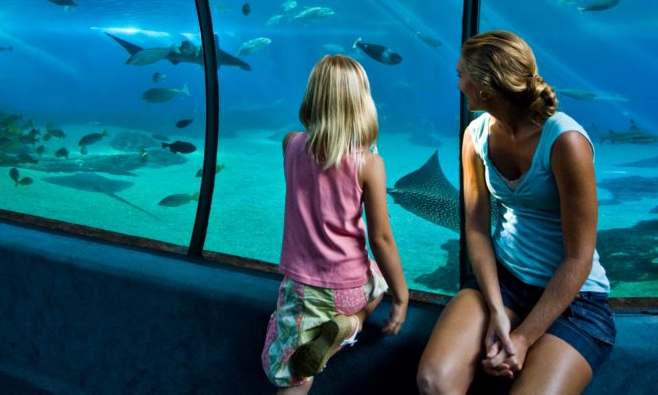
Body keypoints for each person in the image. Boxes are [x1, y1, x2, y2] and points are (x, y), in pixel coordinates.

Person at [417, 31, 615, 395]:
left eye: (462, 75)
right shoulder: (475, 135)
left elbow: (578, 257)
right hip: (504, 281)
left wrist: (523, 338)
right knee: (435, 383)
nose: (458, 84)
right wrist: (495, 308)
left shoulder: (565, 141)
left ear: (487, 86)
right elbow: (476, 229)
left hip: (575, 299)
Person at [262, 54, 409, 394]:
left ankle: (315, 344)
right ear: (362, 103)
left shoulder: (290, 143)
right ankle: (352, 324)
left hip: (303, 286)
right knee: (379, 279)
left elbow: (317, 179)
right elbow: (382, 239)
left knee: (292, 371)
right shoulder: (370, 164)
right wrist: (402, 296)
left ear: (312, 97)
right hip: (350, 286)